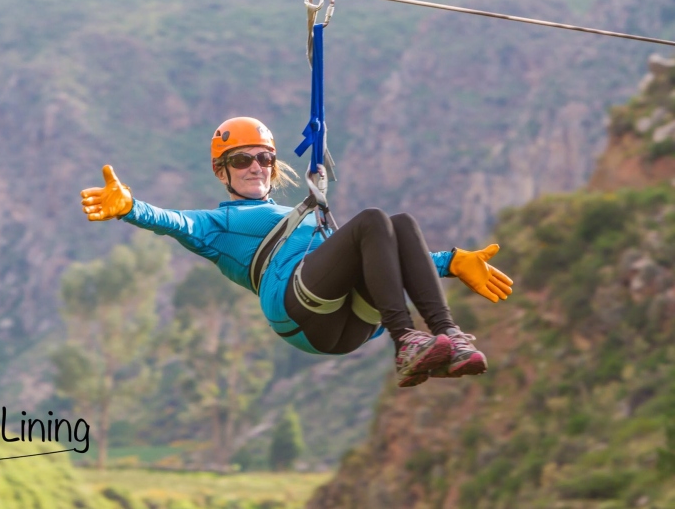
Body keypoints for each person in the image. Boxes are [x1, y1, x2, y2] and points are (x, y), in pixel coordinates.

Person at [80, 117, 513, 387]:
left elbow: (376, 259)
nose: (255, 167)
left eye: (264, 159)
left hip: (352, 322)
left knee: (398, 226)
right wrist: (131, 208)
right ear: (221, 171)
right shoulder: (218, 226)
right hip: (302, 314)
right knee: (373, 220)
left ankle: (448, 338)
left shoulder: (304, 214)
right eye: (241, 160)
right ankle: (407, 342)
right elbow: (172, 221)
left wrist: (450, 263)